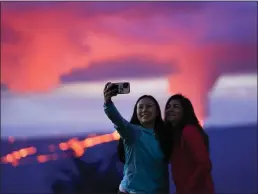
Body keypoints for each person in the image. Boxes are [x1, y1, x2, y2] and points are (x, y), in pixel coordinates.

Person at [103, 82, 170, 194]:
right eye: (140, 107)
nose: (144, 110)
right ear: (136, 112)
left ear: (157, 111)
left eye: (149, 106)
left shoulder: (164, 137)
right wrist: (108, 102)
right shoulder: (133, 132)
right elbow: (118, 121)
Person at [164, 94, 214, 194]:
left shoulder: (189, 131)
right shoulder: (175, 135)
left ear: (184, 111)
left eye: (176, 107)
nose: (170, 109)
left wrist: (189, 186)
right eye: (168, 107)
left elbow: (205, 163)